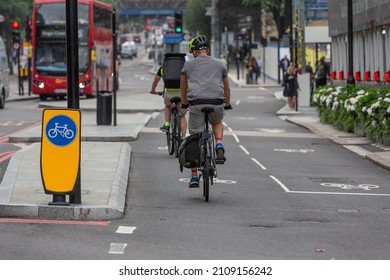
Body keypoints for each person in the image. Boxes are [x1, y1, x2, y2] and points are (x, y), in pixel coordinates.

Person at [180, 35, 232, 188]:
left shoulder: (188, 65)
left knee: (195, 136)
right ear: (207, 50)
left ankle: (195, 176)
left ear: (194, 52)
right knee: (216, 121)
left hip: (196, 103)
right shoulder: (220, 64)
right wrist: (227, 104)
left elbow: (183, 87)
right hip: (217, 102)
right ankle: (219, 145)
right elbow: (227, 87)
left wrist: (184, 103)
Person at [150, 65, 187, 136]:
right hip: (181, 93)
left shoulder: (163, 68)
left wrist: (153, 90)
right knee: (182, 116)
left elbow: (156, 80)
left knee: (167, 106)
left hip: (169, 93)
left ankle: (167, 125)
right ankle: (183, 138)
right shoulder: (184, 68)